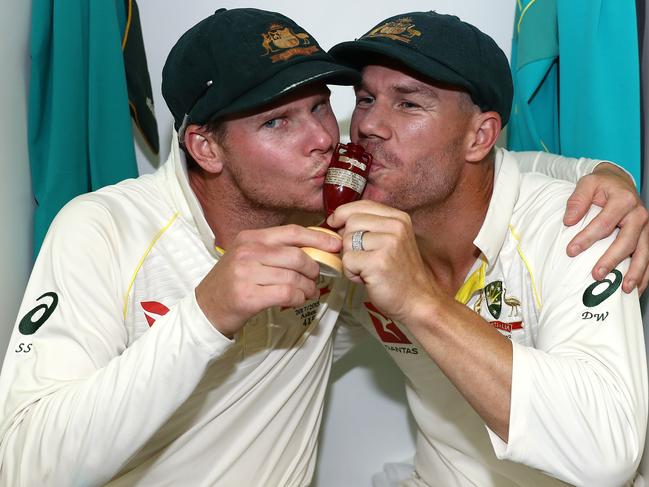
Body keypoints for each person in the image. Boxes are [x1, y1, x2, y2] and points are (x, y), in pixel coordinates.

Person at [0, 7, 644, 487]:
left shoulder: (362, 233)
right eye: (278, 121)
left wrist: (613, 176)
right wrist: (202, 319)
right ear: (203, 146)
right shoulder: (105, 228)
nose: (341, 135)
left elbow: (492, 180)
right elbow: (25, 464)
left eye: (320, 108)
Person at [327, 11, 648, 487]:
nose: (370, 124)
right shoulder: (358, 230)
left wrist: (421, 302)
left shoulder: (576, 224)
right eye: (366, 99)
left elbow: (607, 452)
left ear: (479, 137)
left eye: (409, 104)